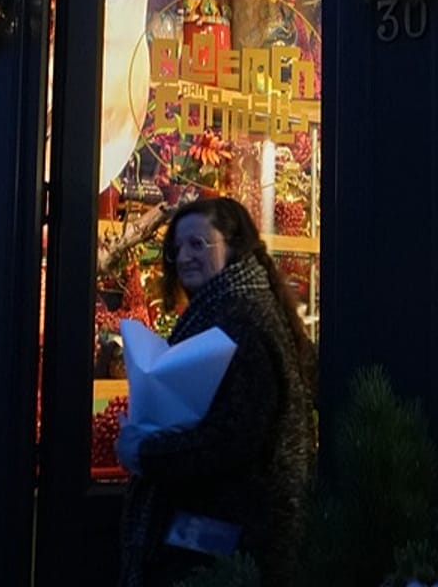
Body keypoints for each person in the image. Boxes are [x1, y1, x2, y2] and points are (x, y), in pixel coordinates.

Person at [116, 197, 315, 587]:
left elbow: (233, 438)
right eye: (177, 249)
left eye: (198, 244)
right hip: (229, 529)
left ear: (234, 245)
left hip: (227, 539)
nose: (185, 257)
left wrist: (145, 452)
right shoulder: (232, 310)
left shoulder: (240, 321)